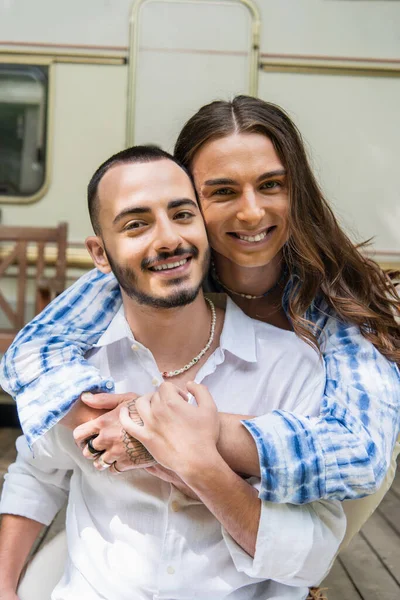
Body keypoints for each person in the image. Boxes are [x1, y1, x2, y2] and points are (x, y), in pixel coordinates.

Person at [1, 96, 399, 507]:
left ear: (296, 192)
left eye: (270, 185)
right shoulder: (166, 269)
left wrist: (159, 428)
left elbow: (360, 455)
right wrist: (120, 425)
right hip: (185, 495)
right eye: (223, 191)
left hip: (328, 500)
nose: (251, 212)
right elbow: (31, 353)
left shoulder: (334, 299)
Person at [0, 146, 345, 600]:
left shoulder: (293, 366)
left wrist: (192, 463)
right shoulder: (78, 370)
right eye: (136, 224)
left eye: (182, 215)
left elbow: (312, 557)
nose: (168, 240)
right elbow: (38, 474)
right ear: (100, 255)